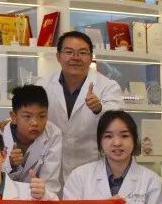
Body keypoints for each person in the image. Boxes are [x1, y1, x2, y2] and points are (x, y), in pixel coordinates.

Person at [41, 31, 124, 184]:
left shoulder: (108, 87)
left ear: (91, 57)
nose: (75, 57)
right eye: (69, 52)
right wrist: (10, 123)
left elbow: (118, 123)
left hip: (93, 169)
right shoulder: (42, 85)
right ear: (58, 56)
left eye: (83, 53)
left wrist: (99, 109)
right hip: (52, 169)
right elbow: (30, 115)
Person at [0, 84, 63, 198]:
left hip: (37, 199)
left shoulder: (53, 134)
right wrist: (11, 164)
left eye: (42, 116)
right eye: (27, 116)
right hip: (4, 198)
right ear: (13, 117)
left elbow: (50, 184)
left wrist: (41, 195)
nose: (35, 123)